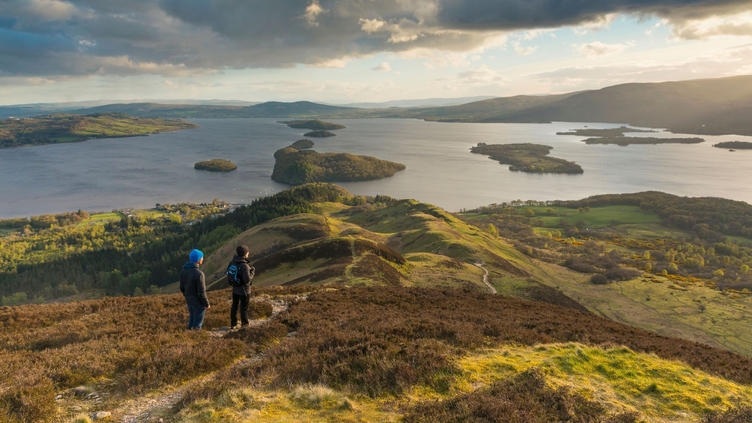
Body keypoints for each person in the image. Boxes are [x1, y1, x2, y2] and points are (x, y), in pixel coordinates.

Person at [180, 249, 210, 330]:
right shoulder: (199, 274)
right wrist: (206, 304)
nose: (203, 259)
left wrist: (187, 296)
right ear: (198, 260)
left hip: (189, 300)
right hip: (198, 302)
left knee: (192, 319)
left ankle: (189, 336)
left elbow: (182, 287)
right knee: (197, 324)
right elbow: (201, 292)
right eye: (202, 257)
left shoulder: (184, 271)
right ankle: (195, 337)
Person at [229, 245, 255, 328]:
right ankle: (245, 325)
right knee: (244, 309)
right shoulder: (244, 265)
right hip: (244, 290)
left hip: (235, 289)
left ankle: (233, 324)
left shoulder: (232, 262)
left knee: (234, 306)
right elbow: (247, 280)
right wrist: (252, 272)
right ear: (245, 254)